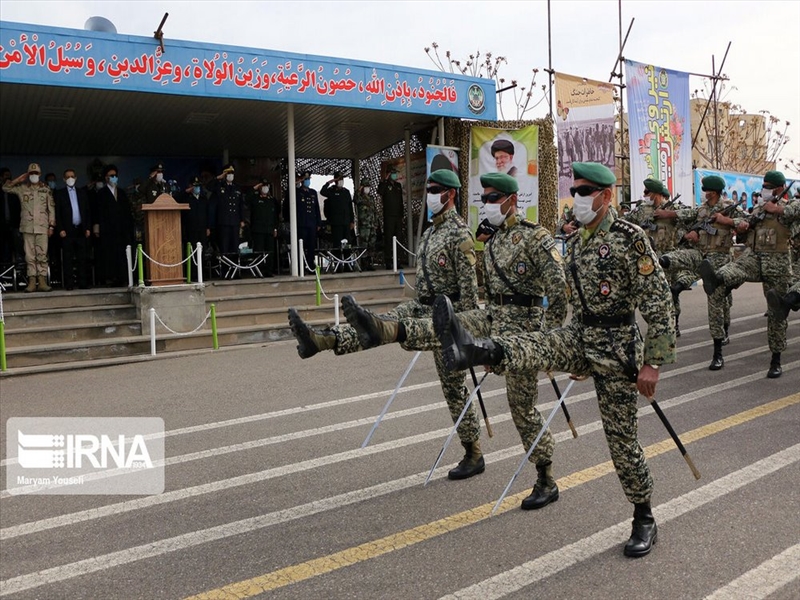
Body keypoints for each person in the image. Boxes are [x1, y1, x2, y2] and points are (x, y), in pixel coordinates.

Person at [432, 161, 676, 558]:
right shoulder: (578, 241)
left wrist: (653, 363)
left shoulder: (630, 238)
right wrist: (572, 353)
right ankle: (477, 349)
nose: (577, 198)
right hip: (582, 336)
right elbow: (576, 304)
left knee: (622, 442)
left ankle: (643, 516)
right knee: (540, 343)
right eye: (575, 190)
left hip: (616, 348)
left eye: (585, 192)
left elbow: (659, 302)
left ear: (606, 195)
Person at [346, 171, 569, 508]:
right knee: (446, 327)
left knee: (521, 408)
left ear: (511, 200)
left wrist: (548, 344)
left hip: (525, 331)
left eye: (494, 198)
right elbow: (488, 296)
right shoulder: (492, 242)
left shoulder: (536, 238)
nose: (488, 204)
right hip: (493, 318)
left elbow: (559, 294)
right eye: (485, 198)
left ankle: (546, 477)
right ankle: (390, 329)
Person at [287, 169, 485, 480]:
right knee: (382, 322)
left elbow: (470, 297)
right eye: (429, 189)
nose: (430, 194)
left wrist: (464, 336)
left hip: (447, 318)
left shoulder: (460, 235)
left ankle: (473, 453)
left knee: (455, 391)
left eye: (435, 190)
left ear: (450, 194)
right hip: (422, 306)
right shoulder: (431, 233)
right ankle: (326, 340)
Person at [698, 171, 799, 378]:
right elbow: (746, 231)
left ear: (780, 189)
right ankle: (718, 279)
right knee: (740, 265)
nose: (764, 190)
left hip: (778, 266)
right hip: (756, 257)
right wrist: (743, 227)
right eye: (764, 185)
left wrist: (778, 209)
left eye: (769, 186)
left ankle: (776, 360)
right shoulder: (761, 208)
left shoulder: (789, 208)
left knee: (775, 314)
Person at [658, 175, 744, 370]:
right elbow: (682, 216)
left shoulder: (729, 206)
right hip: (700, 255)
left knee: (717, 303)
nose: (704, 193)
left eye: (706, 190)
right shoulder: (702, 210)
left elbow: (747, 223)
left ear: (713, 192)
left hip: (720, 261)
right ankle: (662, 261)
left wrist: (727, 220)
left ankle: (718, 353)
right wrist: (689, 232)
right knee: (678, 256)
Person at [627, 178, 692, 336]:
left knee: (669, 293)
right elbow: (625, 223)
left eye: (647, 192)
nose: (645, 195)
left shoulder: (673, 207)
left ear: (656, 194)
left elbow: (691, 215)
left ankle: (674, 324)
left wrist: (668, 214)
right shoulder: (642, 210)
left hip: (668, 257)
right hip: (647, 257)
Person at [2, 163, 56, 293]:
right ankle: (32, 281)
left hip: (42, 227)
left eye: (36, 173)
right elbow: (5, 188)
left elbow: (51, 209)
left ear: (40, 174)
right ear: (27, 175)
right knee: (29, 255)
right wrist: (18, 180)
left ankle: (42, 281)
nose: (33, 176)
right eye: (31, 174)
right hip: (27, 227)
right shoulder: (22, 188)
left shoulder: (46, 189)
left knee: (42, 254)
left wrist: (51, 226)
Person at [92, 164, 133, 286]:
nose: (114, 178)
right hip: (107, 230)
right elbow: (96, 212)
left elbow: (127, 211)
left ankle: (123, 277)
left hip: (121, 230)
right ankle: (111, 278)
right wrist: (96, 227)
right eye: (111, 176)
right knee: (109, 254)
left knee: (121, 254)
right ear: (106, 178)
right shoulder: (101, 194)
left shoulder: (121, 193)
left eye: (115, 176)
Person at [54, 168, 92, 290]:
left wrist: (87, 228)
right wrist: (60, 229)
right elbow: (57, 213)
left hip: (80, 229)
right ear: (64, 179)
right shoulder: (60, 194)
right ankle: (69, 283)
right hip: (67, 230)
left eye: (72, 176)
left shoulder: (82, 192)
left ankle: (83, 282)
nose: (70, 178)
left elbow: (87, 211)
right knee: (68, 258)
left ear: (75, 178)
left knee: (82, 257)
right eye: (68, 177)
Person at [246, 178, 279, 276]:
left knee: (270, 252)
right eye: (263, 186)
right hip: (258, 230)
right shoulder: (255, 199)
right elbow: (246, 198)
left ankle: (269, 271)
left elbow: (275, 216)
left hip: (269, 230)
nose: (265, 188)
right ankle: (258, 270)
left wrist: (275, 228)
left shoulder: (272, 200)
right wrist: (255, 187)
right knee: (259, 251)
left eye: (266, 186)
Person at [210, 164, 245, 257]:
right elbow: (209, 187)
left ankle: (234, 269)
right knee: (224, 248)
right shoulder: (220, 186)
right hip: (223, 222)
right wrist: (219, 177)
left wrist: (242, 219)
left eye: (232, 173)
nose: (231, 175)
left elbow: (240, 204)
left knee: (235, 247)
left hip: (235, 222)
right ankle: (225, 270)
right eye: (228, 173)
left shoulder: (237, 187)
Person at [181, 176, 210, 280]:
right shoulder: (186, 198)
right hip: (190, 229)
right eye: (195, 186)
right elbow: (176, 199)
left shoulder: (203, 198)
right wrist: (186, 191)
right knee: (191, 252)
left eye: (198, 186)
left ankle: (201, 274)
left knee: (202, 252)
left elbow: (207, 214)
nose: (197, 188)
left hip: (202, 229)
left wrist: (208, 227)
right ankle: (192, 275)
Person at [378, 166, 404, 269]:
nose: (395, 175)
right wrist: (385, 180)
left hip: (398, 216)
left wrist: (401, 214)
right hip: (389, 216)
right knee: (388, 239)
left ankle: (398, 261)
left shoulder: (398, 185)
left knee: (399, 239)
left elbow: (401, 201)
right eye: (392, 173)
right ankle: (388, 261)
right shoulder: (384, 185)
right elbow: (380, 192)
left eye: (395, 173)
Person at [321, 171, 354, 249]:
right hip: (336, 223)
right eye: (339, 179)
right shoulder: (331, 191)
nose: (341, 181)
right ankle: (337, 260)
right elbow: (323, 191)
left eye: (342, 179)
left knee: (347, 245)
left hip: (346, 222)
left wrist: (352, 221)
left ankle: (347, 259)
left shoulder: (346, 192)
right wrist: (329, 182)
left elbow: (350, 207)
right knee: (337, 245)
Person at [0, 167, 24, 277]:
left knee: (18, 249)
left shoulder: (15, 191)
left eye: (9, 175)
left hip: (15, 225)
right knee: (4, 251)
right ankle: (4, 273)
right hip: (2, 226)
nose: (8, 178)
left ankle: (19, 274)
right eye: (6, 175)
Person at [355, 177, 377, 271]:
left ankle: (369, 262)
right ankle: (364, 264)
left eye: (368, 186)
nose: (367, 188)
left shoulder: (371, 198)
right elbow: (355, 199)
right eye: (366, 186)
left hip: (371, 225)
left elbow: (374, 211)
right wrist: (358, 190)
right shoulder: (360, 198)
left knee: (371, 245)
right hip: (364, 226)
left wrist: (376, 223)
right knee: (364, 244)